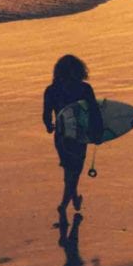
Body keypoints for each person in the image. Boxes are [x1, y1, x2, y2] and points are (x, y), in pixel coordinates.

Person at [42, 54, 103, 220]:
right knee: (74, 171)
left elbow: (47, 115)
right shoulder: (84, 89)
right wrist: (98, 133)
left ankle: (74, 198)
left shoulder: (51, 90)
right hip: (79, 136)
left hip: (61, 137)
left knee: (70, 170)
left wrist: (49, 126)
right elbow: (94, 112)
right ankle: (63, 205)